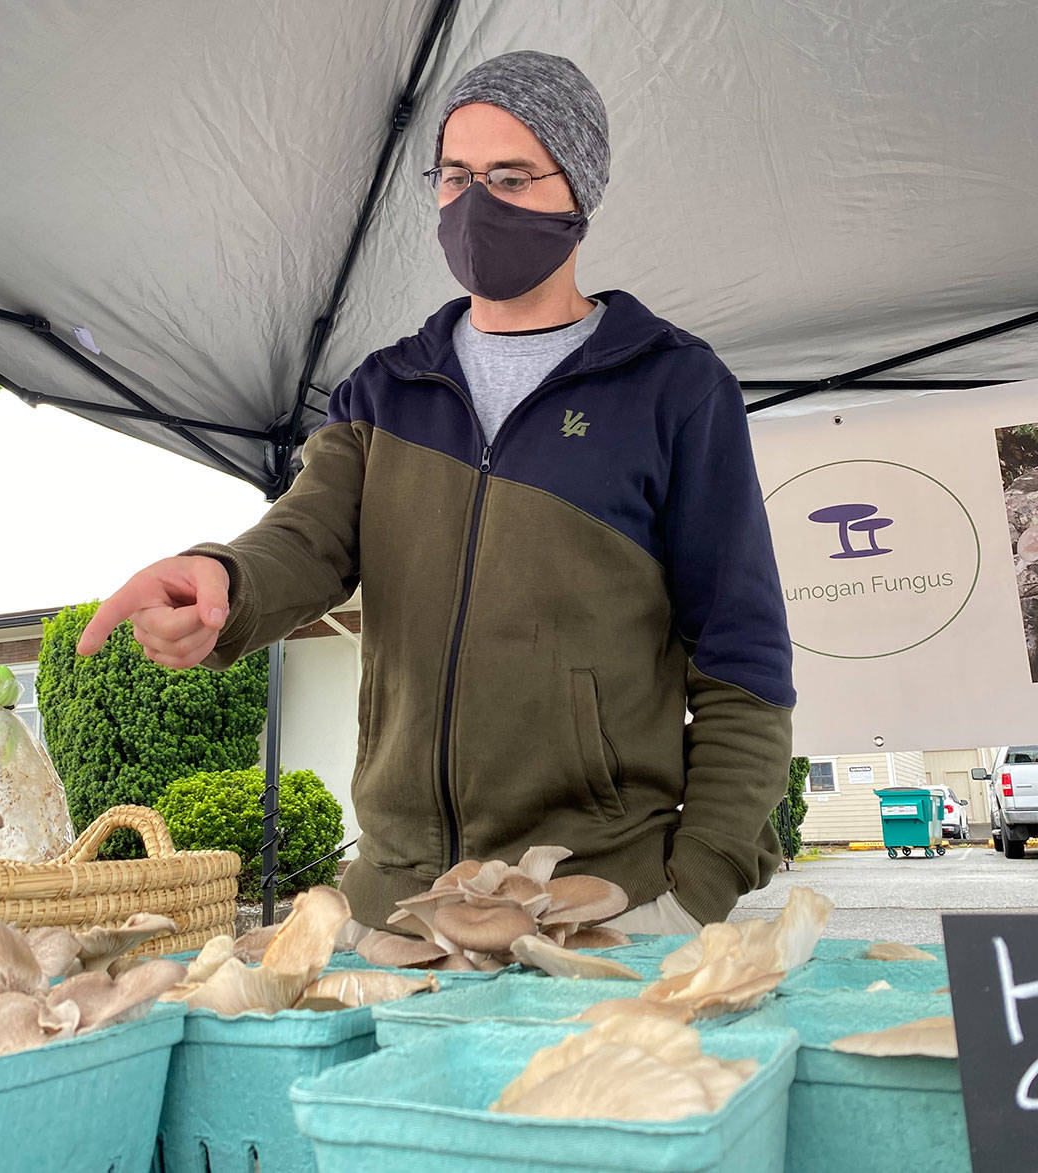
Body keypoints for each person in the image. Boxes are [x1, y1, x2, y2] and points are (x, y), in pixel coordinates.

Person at [78, 51, 794, 934]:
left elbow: (742, 652)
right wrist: (220, 573)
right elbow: (305, 538)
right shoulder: (384, 390)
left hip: (598, 902)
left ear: (579, 192)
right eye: (455, 176)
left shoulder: (674, 386)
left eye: (510, 176)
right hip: (399, 900)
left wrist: (697, 885)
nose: (475, 204)